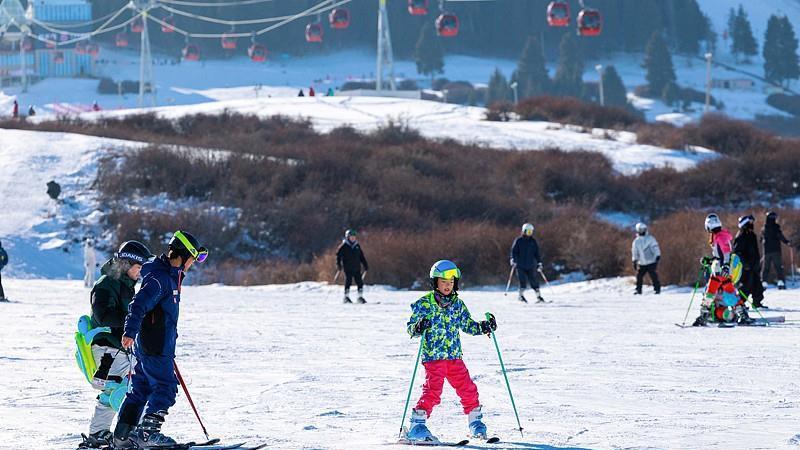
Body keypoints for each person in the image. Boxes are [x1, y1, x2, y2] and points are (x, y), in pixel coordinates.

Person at [112, 231, 208, 448]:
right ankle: (148, 434)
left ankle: (123, 436)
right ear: (183, 255)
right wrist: (129, 331)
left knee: (141, 388)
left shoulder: (168, 276)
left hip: (152, 345)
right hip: (155, 346)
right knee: (166, 386)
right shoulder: (160, 279)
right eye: (193, 259)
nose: (193, 264)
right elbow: (138, 304)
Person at [404, 260, 497, 443]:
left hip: (454, 357)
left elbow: (468, 325)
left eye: (451, 282)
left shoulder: (458, 305)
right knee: (433, 390)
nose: (448, 286)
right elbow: (411, 329)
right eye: (444, 282)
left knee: (468, 388)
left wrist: (484, 327)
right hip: (433, 357)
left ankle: (475, 423)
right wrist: (419, 326)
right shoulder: (424, 304)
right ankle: (416, 426)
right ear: (435, 282)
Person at [79, 241, 152, 448]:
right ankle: (132, 433)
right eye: (138, 267)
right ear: (126, 264)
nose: (140, 273)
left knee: (114, 390)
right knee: (125, 389)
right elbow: (103, 316)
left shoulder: (125, 285)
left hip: (117, 348)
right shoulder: (106, 284)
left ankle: (98, 433)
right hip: (106, 348)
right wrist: (134, 319)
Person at [693, 214, 751, 326]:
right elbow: (718, 256)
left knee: (724, 292)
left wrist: (726, 266)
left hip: (722, 271)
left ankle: (742, 315)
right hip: (718, 270)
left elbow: (726, 253)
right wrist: (709, 261)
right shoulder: (717, 236)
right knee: (712, 291)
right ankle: (705, 315)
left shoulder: (720, 237)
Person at [734, 215, 766, 308]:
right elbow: (737, 252)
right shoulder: (740, 236)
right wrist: (745, 264)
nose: (752, 224)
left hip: (754, 265)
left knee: (757, 285)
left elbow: (755, 251)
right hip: (746, 267)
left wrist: (758, 263)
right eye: (750, 223)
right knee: (746, 286)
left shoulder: (752, 235)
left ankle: (757, 302)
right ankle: (739, 304)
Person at [510, 223, 544, 303]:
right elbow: (514, 252)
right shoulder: (519, 241)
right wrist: (513, 259)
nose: (529, 234)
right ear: (524, 231)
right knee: (522, 281)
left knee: (534, 281)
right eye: (528, 232)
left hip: (530, 265)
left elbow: (537, 253)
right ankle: (520, 296)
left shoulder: (533, 241)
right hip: (520, 265)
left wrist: (539, 263)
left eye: (531, 232)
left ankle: (539, 297)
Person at [335, 229, 369, 304]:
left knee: (360, 282)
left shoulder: (357, 246)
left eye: (354, 237)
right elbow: (338, 256)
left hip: (357, 267)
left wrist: (365, 265)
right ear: (347, 237)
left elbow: (361, 256)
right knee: (348, 281)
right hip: (348, 267)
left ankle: (360, 297)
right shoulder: (344, 246)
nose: (353, 238)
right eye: (351, 237)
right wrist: (338, 265)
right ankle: (346, 297)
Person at [761, 211, 791, 290]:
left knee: (766, 268)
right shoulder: (776, 227)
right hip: (776, 251)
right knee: (778, 267)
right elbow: (780, 236)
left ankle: (763, 283)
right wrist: (787, 242)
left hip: (767, 252)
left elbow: (761, 239)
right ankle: (781, 283)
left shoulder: (764, 228)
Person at [631, 222, 661, 295]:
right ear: (638, 230)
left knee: (653, 275)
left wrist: (658, 255)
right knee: (639, 276)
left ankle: (657, 289)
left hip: (651, 261)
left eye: (643, 229)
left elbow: (655, 247)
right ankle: (638, 290)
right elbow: (634, 251)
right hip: (642, 263)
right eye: (640, 230)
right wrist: (634, 260)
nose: (642, 231)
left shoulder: (650, 238)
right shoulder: (636, 241)